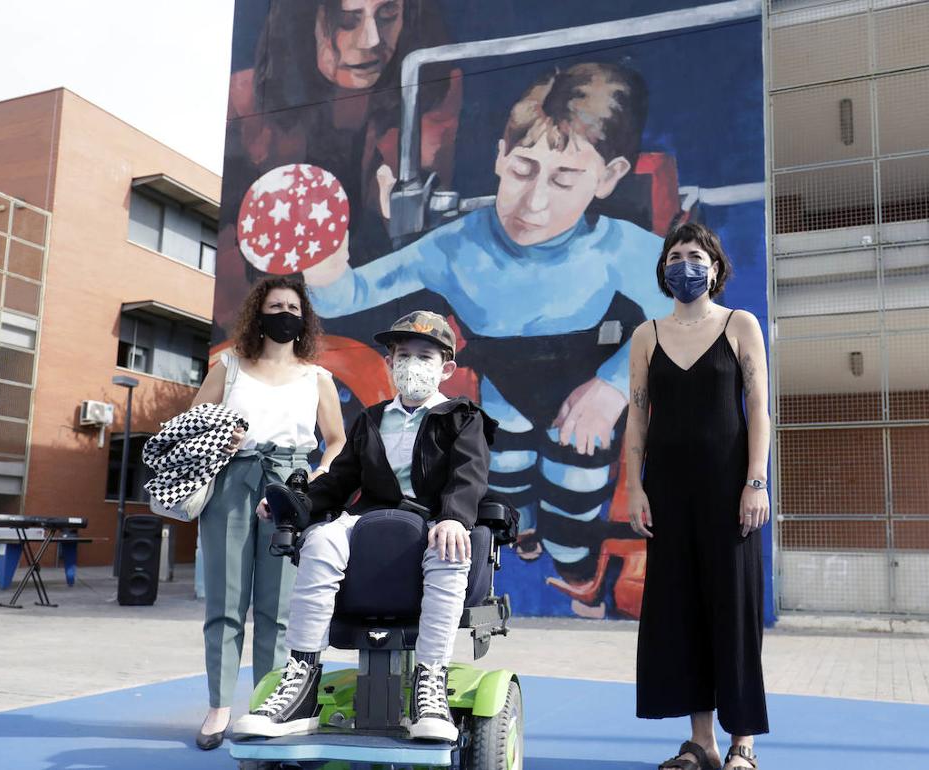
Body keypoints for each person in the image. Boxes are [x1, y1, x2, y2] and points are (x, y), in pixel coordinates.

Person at [303, 61, 673, 616]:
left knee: (574, 506)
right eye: (524, 168)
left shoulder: (624, 248)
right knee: (506, 481)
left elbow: (682, 320)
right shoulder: (453, 246)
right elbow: (347, 296)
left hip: (584, 400)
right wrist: (325, 268)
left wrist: (613, 386)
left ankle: (578, 577)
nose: (535, 203)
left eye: (565, 179)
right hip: (505, 391)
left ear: (609, 176)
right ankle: (523, 533)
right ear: (501, 155)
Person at [232, 311, 494, 741]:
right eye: (403, 355)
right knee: (321, 540)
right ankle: (302, 681)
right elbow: (339, 481)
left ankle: (429, 683)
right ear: (389, 363)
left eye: (424, 356)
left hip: (430, 519)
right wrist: (294, 505)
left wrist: (453, 518)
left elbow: (470, 476)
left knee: (449, 546)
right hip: (369, 520)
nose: (412, 364)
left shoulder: (463, 417)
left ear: (445, 367)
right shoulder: (370, 420)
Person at [217, 0, 462, 328]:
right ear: (304, 21)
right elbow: (229, 259)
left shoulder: (431, 83)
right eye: (348, 20)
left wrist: (395, 195)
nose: (371, 39)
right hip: (272, 325)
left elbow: (416, 219)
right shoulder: (245, 100)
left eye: (388, 14)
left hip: (375, 318)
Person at [625, 223, 771, 770]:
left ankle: (743, 745)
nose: (684, 264)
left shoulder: (740, 325)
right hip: (667, 491)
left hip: (729, 489)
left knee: (732, 610)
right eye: (675, 255)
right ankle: (701, 744)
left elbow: (758, 409)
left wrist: (755, 481)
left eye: (695, 255)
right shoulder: (647, 334)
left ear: (715, 267)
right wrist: (636, 487)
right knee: (681, 610)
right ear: (663, 269)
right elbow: (637, 418)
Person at [193, 276, 346, 750]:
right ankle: (219, 707)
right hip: (230, 483)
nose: (284, 313)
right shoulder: (229, 366)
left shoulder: (317, 377)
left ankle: (267, 703)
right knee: (225, 602)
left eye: (293, 307)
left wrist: (319, 478)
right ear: (258, 313)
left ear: (304, 319)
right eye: (275, 304)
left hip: (291, 488)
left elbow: (337, 440)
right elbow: (191, 421)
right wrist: (221, 433)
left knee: (277, 609)